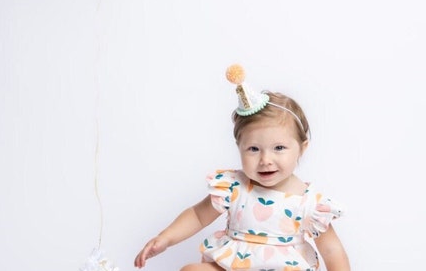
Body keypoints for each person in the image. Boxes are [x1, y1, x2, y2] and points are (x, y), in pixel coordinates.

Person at [134, 65, 350, 271]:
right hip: (234, 265)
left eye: (279, 148)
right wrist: (165, 238)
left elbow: (332, 250)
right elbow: (198, 216)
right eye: (254, 149)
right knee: (190, 269)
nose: (265, 159)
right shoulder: (234, 187)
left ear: (301, 149)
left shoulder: (309, 203)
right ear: (239, 148)